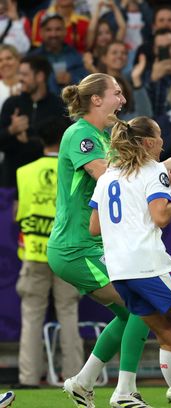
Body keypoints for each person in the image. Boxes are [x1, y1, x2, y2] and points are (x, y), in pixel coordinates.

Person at [47, 73, 171, 408]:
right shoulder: (81, 134)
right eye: (117, 94)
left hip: (92, 244)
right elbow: (116, 177)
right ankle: (124, 391)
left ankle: (83, 383)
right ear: (96, 99)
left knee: (130, 312)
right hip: (76, 247)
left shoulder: (101, 136)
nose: (123, 101)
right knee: (140, 306)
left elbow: (130, 175)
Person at [89, 115, 171, 407]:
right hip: (150, 265)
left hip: (119, 272)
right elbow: (161, 217)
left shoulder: (108, 176)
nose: (163, 142)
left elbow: (94, 227)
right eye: (160, 136)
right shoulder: (153, 172)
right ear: (149, 142)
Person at [14, 116, 83, 389]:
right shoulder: (76, 169)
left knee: (31, 315)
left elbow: (19, 213)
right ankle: (75, 378)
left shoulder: (24, 172)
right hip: (67, 251)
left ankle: (28, 378)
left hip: (34, 251)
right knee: (69, 313)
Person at [0, 55, 66, 188]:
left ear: (40, 76)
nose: (20, 79)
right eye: (19, 74)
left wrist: (28, 141)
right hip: (11, 182)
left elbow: (61, 145)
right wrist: (11, 130)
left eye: (24, 74)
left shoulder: (58, 106)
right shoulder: (12, 103)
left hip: (45, 183)